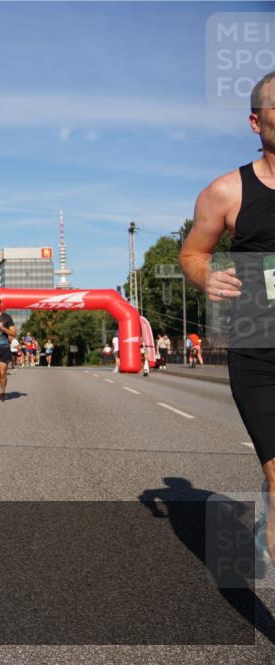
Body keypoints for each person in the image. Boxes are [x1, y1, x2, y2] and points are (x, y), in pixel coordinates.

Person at [179, 71, 275, 566]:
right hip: (259, 340)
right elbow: (194, 253)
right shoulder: (226, 192)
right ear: (255, 121)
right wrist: (206, 277)